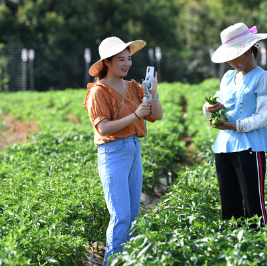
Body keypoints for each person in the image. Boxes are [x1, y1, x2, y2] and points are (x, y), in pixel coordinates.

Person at [83, 36, 163, 265]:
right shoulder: (98, 91)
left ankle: (129, 261)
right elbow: (103, 127)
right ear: (107, 62)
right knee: (121, 216)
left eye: (129, 59)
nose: (127, 64)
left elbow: (156, 115)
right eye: (121, 60)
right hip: (113, 152)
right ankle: (112, 262)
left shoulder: (134, 87)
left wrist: (153, 93)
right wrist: (135, 115)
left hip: (134, 150)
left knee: (133, 216)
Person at [203, 23, 267, 227]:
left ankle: (258, 248)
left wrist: (235, 126)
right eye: (229, 56)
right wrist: (209, 108)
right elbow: (216, 103)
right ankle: (233, 248)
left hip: (250, 147)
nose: (231, 61)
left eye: (236, 55)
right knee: (229, 203)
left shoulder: (263, 77)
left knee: (253, 204)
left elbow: (264, 117)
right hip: (224, 146)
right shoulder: (228, 77)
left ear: (249, 50)